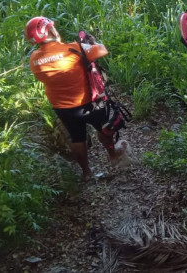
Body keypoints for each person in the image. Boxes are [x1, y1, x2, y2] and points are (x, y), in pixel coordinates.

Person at [25, 16, 125, 181]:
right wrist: (92, 42)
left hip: (62, 107)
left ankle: (86, 172)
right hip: (88, 102)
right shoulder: (74, 48)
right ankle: (113, 155)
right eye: (52, 27)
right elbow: (102, 50)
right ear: (50, 31)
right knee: (103, 128)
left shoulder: (34, 59)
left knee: (77, 137)